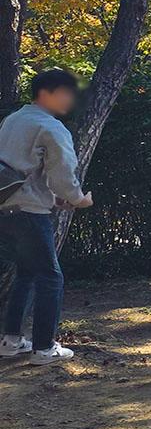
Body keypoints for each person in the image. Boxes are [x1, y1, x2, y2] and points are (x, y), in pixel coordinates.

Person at [0, 68, 93, 365]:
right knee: (51, 277)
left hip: (6, 211)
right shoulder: (50, 127)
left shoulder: (12, 120)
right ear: (48, 93)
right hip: (30, 214)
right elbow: (63, 172)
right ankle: (43, 348)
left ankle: (11, 341)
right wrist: (78, 199)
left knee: (26, 274)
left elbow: (19, 170)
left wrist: (53, 199)